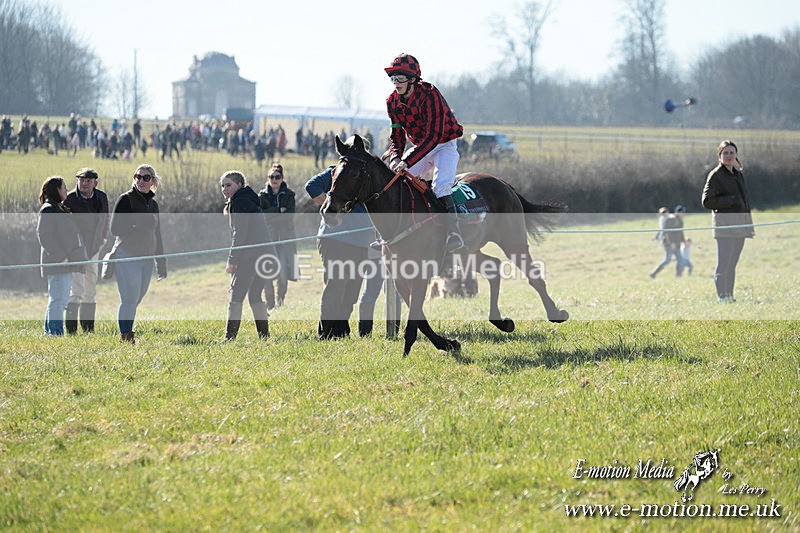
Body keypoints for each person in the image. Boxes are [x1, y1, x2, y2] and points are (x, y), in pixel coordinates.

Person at [384, 53, 465, 252]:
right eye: (393, 78)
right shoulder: (391, 102)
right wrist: (396, 157)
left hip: (444, 144)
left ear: (413, 79)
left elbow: (434, 137)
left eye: (400, 78)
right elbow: (396, 135)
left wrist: (408, 159)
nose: (396, 83)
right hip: (421, 147)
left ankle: (453, 233)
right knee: (396, 180)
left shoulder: (430, 94)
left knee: (441, 186)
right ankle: (393, 233)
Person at [305, 154, 372, 339]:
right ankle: (326, 333)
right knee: (336, 285)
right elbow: (311, 186)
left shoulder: (368, 178)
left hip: (361, 241)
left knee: (352, 289)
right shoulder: (336, 172)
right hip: (334, 239)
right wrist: (333, 204)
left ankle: (341, 332)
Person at [109, 164, 167, 344]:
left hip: (146, 257)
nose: (141, 180)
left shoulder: (153, 204)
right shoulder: (126, 199)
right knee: (129, 299)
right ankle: (126, 337)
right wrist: (135, 226)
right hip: (127, 254)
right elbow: (114, 228)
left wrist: (161, 262)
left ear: (153, 182)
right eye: (138, 176)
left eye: (146, 178)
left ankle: (127, 331)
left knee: (137, 297)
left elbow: (157, 234)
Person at [220, 170, 272, 340]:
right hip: (265, 255)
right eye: (223, 186)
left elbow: (240, 233)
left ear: (239, 184)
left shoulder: (240, 201)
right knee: (255, 294)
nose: (225, 189)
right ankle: (264, 337)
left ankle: (229, 338)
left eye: (229, 185)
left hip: (250, 256)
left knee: (236, 295)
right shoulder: (248, 199)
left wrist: (232, 260)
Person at [702, 140, 754, 302]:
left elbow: (744, 202)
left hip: (741, 225)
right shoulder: (715, 175)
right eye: (725, 153)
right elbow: (707, 201)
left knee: (732, 263)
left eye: (732, 152)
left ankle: (730, 296)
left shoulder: (738, 175)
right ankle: (722, 297)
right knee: (723, 263)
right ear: (720, 156)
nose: (729, 156)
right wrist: (730, 200)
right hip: (724, 226)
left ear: (736, 155)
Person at [36, 176, 88, 336]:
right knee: (58, 300)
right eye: (64, 187)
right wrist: (61, 257)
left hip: (65, 262)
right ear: (56, 190)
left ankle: (49, 331)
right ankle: (55, 333)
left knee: (58, 299)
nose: (66, 190)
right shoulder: (48, 209)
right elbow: (44, 235)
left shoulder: (59, 207)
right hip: (57, 263)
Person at [63, 168, 110, 334]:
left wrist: (103, 240)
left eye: (88, 181)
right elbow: (64, 226)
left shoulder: (102, 197)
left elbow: (105, 219)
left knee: (91, 289)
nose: (84, 183)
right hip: (75, 251)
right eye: (81, 180)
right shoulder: (69, 199)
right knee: (76, 290)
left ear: (95, 183)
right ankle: (71, 331)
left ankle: (89, 330)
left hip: (94, 249)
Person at [259, 162, 298, 309]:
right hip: (268, 239)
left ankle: (280, 302)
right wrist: (277, 210)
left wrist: (274, 214)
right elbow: (262, 216)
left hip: (285, 239)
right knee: (267, 275)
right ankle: (270, 305)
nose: (274, 179)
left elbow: (289, 215)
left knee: (282, 274)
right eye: (271, 177)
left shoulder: (289, 195)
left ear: (282, 178)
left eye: (277, 177)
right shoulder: (262, 196)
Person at [650, 205, 686, 278]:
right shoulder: (672, 219)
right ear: (678, 212)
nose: (683, 214)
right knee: (667, 260)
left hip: (677, 243)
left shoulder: (680, 220)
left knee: (680, 260)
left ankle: (678, 277)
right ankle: (653, 273)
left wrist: (683, 241)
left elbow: (680, 232)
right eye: (681, 212)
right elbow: (669, 232)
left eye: (683, 212)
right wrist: (672, 242)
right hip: (669, 244)